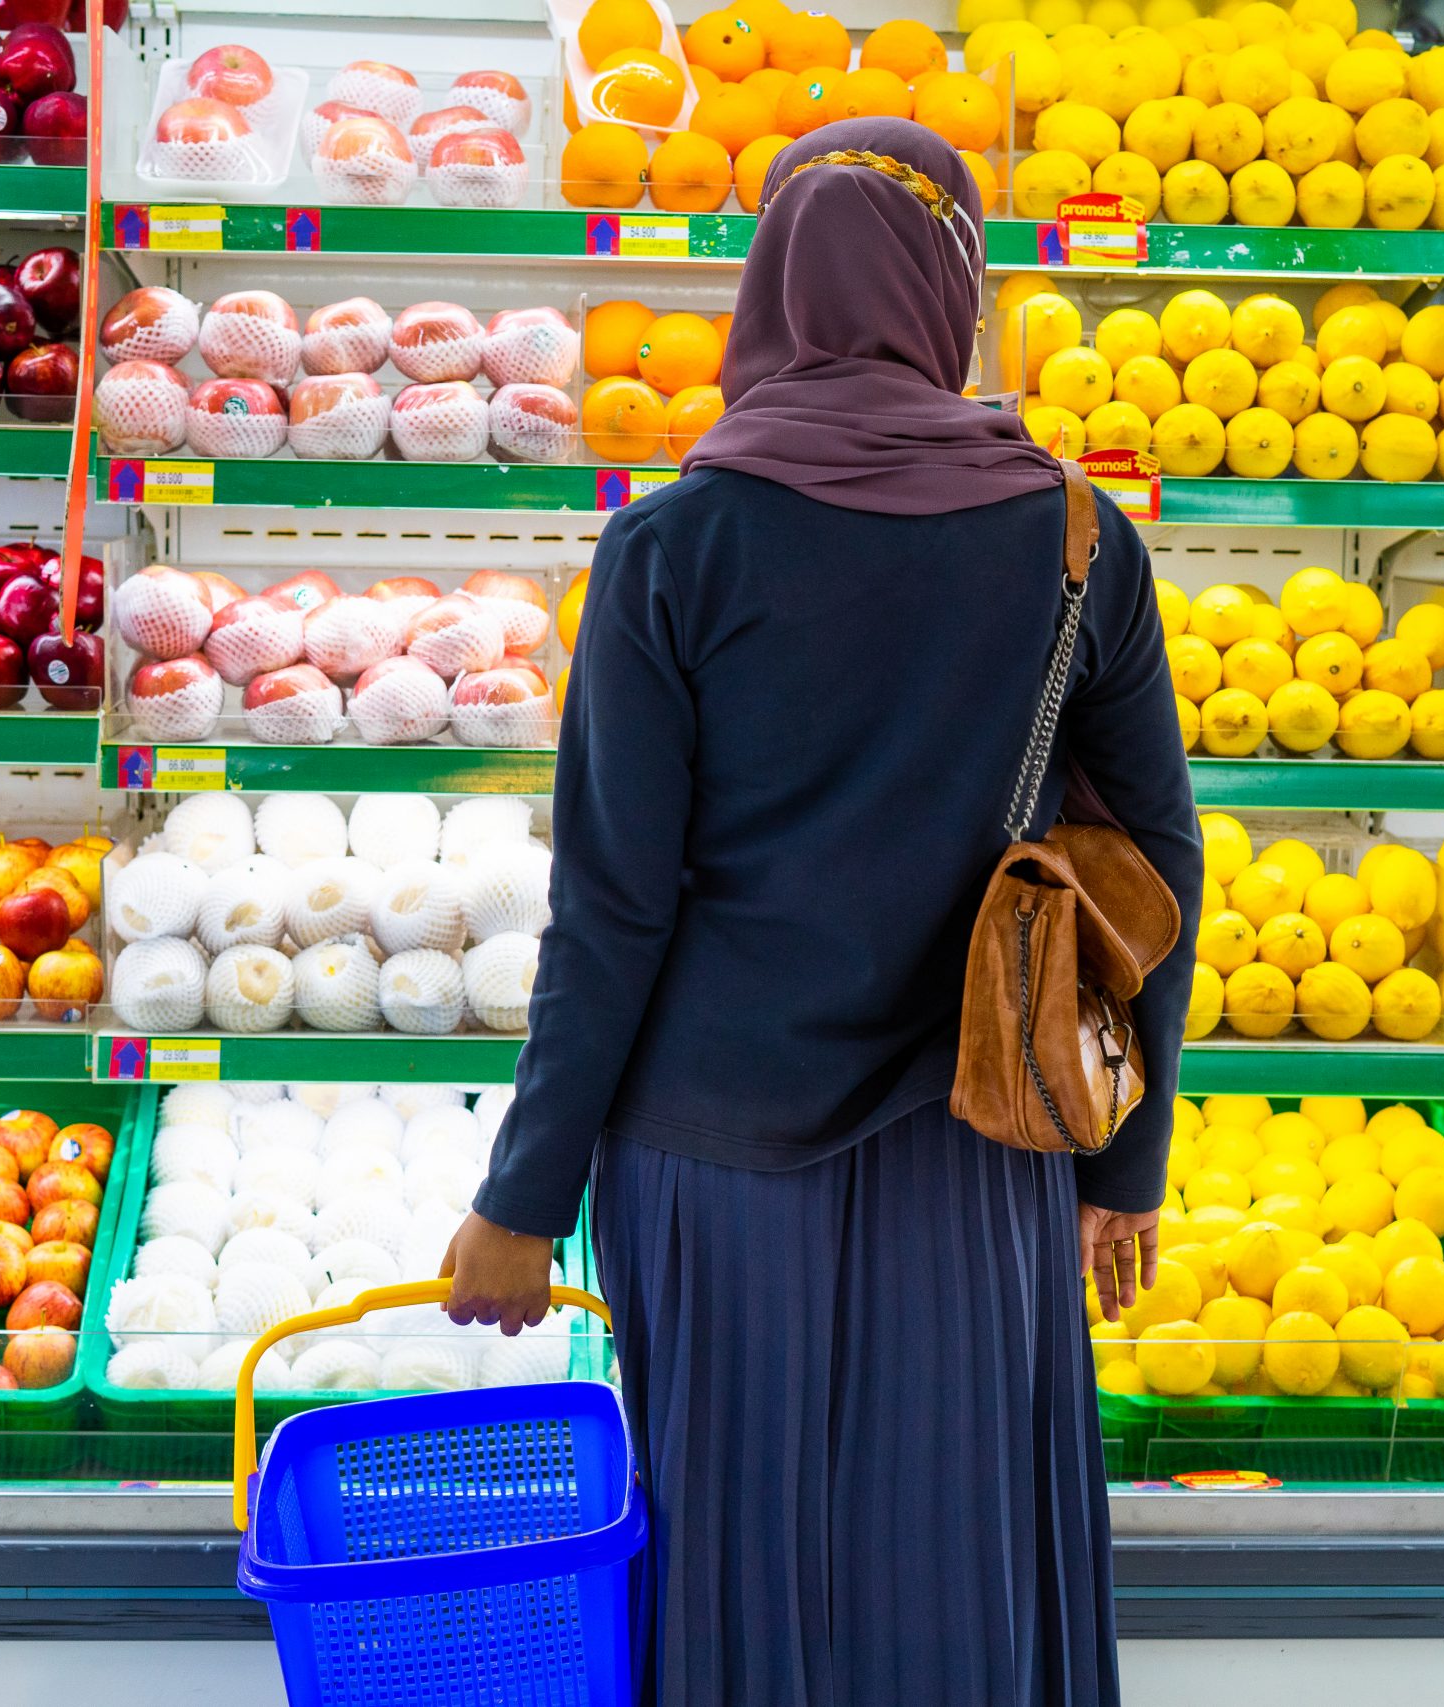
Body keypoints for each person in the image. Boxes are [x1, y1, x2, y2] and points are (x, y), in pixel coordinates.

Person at [442, 115, 1200, 1707]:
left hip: (712, 1155)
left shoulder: (673, 545)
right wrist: (1127, 1157)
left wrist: (524, 1200)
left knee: (739, 1540)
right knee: (956, 1540)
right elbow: (1155, 866)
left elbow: (614, 911)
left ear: (765, 292)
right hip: (981, 1131)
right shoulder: (1072, 536)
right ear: (955, 292)